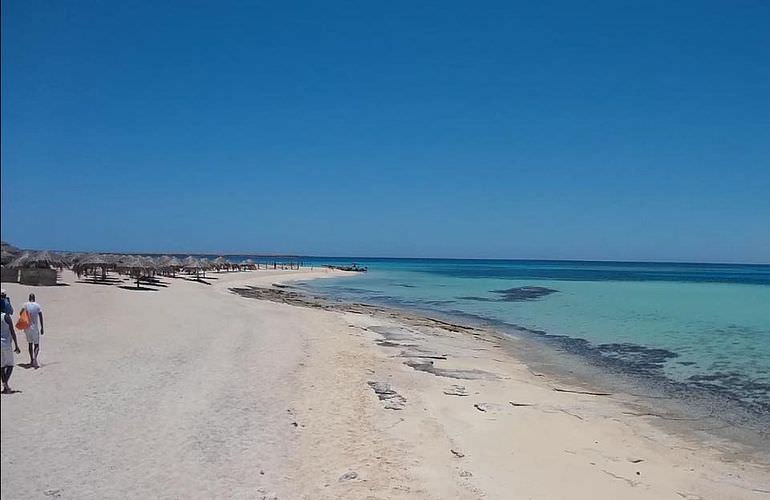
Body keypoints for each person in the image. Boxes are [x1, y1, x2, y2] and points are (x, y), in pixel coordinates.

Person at [20, 293, 44, 368]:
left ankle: (31, 360)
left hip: (27, 327)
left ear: (29, 298)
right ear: (34, 298)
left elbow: (21, 313)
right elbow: (40, 316)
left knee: (30, 344)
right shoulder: (37, 306)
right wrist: (42, 327)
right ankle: (35, 358)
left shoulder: (25, 305)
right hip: (35, 327)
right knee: (36, 345)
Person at [1, 310, 21, 393]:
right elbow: (12, 331)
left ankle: (5, 387)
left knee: (1, 366)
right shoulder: (6, 316)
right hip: (6, 343)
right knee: (10, 365)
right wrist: (16, 345)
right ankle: (5, 383)